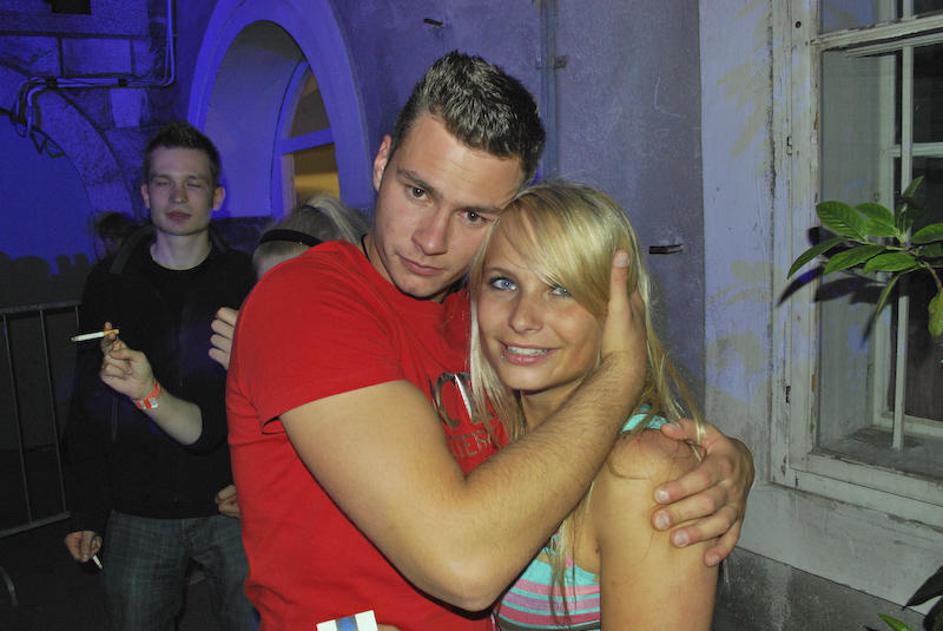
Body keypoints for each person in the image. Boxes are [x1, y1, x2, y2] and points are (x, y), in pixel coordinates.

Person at [227, 51, 753, 630]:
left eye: (474, 216)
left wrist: (724, 459)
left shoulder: (487, 322)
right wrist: (620, 374)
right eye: (418, 191)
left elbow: (558, 444)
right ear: (381, 162)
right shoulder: (306, 300)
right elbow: (465, 566)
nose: (432, 239)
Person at [470, 182, 717, 630]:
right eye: (503, 282)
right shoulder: (477, 426)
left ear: (617, 310)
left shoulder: (645, 470)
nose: (522, 318)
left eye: (561, 289)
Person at [63, 121, 258, 631]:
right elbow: (86, 401)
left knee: (256, 622)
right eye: (164, 182)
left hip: (230, 500)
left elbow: (271, 395)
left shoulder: (246, 279)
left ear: (216, 197)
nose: (178, 196)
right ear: (145, 194)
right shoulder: (110, 282)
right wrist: (86, 509)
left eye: (193, 183)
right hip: (136, 506)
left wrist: (259, 481)